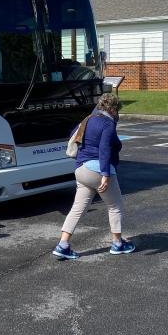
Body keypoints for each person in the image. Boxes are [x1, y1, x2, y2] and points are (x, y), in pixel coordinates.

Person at [53, 93, 134, 260]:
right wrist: (105, 174)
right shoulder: (107, 124)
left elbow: (73, 135)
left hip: (81, 169)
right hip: (98, 170)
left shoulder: (88, 119)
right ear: (112, 109)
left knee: (78, 208)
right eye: (117, 110)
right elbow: (105, 149)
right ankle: (118, 243)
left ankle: (63, 245)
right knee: (115, 206)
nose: (117, 113)